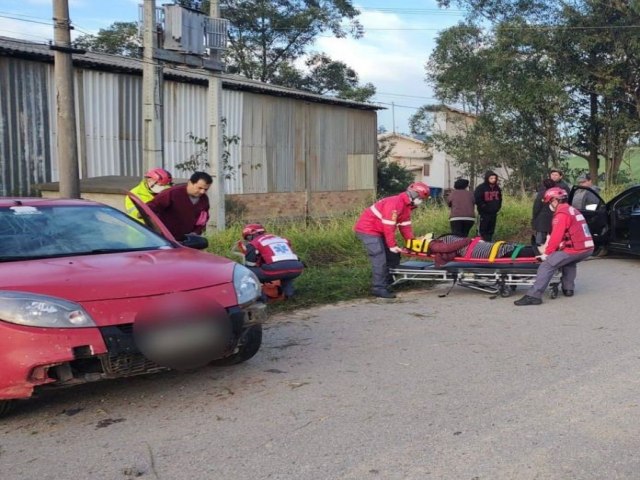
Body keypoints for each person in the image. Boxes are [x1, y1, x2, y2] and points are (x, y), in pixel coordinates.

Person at [514, 187, 594, 306]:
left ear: (555, 200)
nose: (549, 205)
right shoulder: (573, 210)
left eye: (549, 202)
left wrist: (547, 253)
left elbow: (556, 237)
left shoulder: (561, 215)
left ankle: (534, 296)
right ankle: (568, 289)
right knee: (569, 262)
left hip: (576, 249)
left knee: (547, 265)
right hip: (587, 248)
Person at [354, 182, 430, 299]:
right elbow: (388, 226)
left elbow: (405, 227)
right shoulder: (395, 203)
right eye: (420, 198)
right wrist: (391, 245)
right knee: (379, 257)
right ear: (414, 194)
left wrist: (412, 244)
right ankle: (378, 288)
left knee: (394, 255)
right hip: (368, 229)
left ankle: (388, 282)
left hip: (380, 230)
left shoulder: (407, 207)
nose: (421, 201)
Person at [240, 223, 304, 299]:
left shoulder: (254, 243)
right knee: (286, 273)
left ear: (251, 235)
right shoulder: (281, 239)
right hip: (297, 268)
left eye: (248, 238)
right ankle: (289, 294)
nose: (248, 240)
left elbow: (250, 264)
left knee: (246, 272)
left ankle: (261, 298)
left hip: (275, 270)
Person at [147, 171, 212, 241]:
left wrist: (195, 233)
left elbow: (202, 220)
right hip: (164, 240)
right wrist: (158, 231)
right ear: (190, 183)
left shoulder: (204, 199)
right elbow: (147, 210)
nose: (202, 192)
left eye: (205, 189)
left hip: (186, 241)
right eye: (199, 188)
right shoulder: (171, 194)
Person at [473, 171, 502, 241]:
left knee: (491, 230)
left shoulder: (497, 188)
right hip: (483, 214)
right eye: (491, 178)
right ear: (487, 178)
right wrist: (483, 206)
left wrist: (498, 207)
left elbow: (500, 198)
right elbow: (477, 198)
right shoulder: (481, 188)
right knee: (482, 230)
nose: (493, 180)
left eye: (494, 178)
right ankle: (480, 245)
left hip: (493, 213)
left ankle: (489, 244)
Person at [531, 178, 556, 246]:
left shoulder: (541, 194)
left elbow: (536, 207)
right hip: (554, 219)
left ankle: (539, 251)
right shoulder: (557, 193)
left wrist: (534, 218)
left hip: (542, 220)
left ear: (544, 185)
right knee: (552, 238)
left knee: (539, 241)